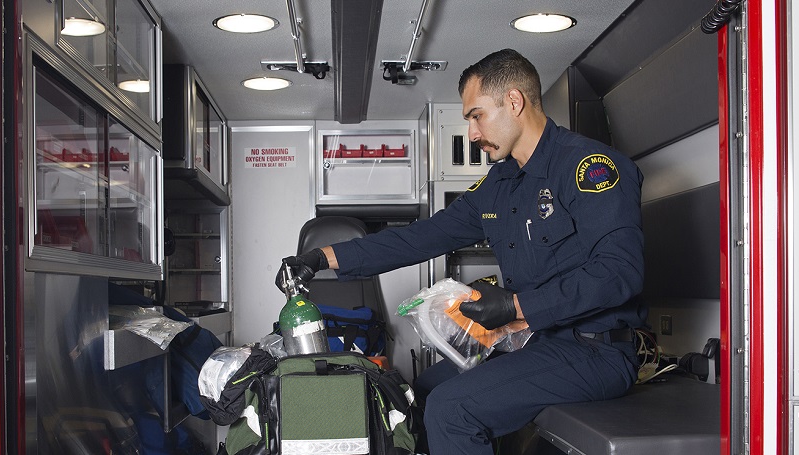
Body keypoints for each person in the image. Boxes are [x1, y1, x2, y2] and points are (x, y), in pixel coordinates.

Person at [277, 48, 646, 455]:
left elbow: (620, 273)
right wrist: (321, 258)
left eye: (476, 116)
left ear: (514, 102)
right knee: (423, 389)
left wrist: (515, 306)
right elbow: (421, 237)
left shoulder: (588, 166)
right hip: (537, 343)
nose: (471, 133)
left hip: (596, 351)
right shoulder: (499, 184)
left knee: (450, 410)